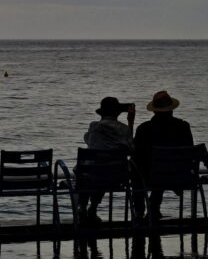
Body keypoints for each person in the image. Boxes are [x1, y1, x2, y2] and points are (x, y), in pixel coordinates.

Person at [132, 90, 193, 220]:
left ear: (154, 111)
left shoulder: (144, 129)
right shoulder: (183, 127)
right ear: (172, 109)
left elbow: (136, 155)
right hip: (179, 176)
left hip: (150, 177)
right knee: (162, 168)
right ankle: (154, 207)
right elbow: (190, 152)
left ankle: (139, 212)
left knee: (140, 170)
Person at [80, 96, 134, 223]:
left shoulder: (94, 127)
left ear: (102, 113)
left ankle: (82, 207)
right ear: (118, 113)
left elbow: (88, 141)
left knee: (90, 169)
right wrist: (131, 123)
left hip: (92, 174)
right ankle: (92, 208)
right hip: (116, 177)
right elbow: (131, 149)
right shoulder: (124, 129)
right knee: (105, 169)